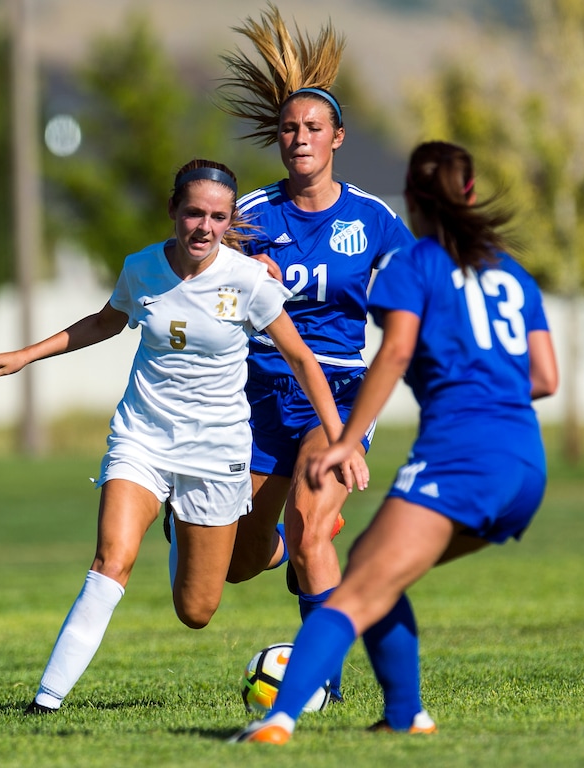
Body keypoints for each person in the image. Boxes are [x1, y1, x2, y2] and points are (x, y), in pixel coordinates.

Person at [0, 158, 368, 715]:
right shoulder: (143, 268)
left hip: (218, 450)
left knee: (197, 610)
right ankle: (45, 703)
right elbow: (106, 320)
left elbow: (301, 358)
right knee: (112, 559)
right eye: (194, 212)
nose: (204, 226)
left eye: (218, 217)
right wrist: (25, 355)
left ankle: (272, 549)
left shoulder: (249, 281)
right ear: (173, 211)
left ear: (229, 223)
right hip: (143, 437)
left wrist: (343, 441)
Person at [228, 140, 559, 743]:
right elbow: (545, 377)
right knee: (379, 575)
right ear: (470, 192)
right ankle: (406, 716)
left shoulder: (416, 264)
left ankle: (280, 718)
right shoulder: (509, 271)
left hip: (460, 457)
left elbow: (397, 350)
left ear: (411, 197)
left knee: (357, 584)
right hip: (526, 463)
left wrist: (345, 438)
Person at [217, 3, 415, 703]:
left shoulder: (373, 219)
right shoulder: (250, 219)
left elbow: (410, 313)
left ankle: (317, 686)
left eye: (312, 128)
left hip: (334, 393)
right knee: (237, 565)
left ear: (337, 137)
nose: (298, 137)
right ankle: (277, 554)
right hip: (258, 394)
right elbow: (194, 279)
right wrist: (244, 280)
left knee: (311, 530)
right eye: (288, 129)